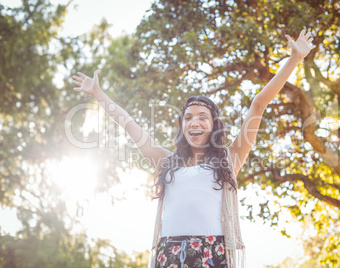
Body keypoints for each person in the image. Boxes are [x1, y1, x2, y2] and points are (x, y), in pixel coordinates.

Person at [72, 29, 315, 268]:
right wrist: (98, 93)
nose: (194, 122)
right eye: (188, 118)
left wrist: (294, 58)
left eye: (202, 117)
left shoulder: (229, 159)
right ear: (182, 126)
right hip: (169, 253)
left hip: (211, 253)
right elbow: (129, 124)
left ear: (213, 126)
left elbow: (258, 104)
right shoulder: (166, 161)